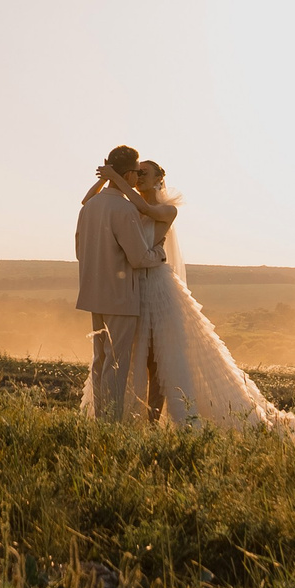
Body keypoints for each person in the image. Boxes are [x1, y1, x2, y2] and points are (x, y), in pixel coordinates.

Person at [84, 151, 295, 444]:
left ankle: (153, 422)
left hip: (160, 291)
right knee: (141, 357)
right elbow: (97, 202)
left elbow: (147, 209)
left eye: (143, 173)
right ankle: (137, 420)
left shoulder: (165, 209)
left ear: (157, 179)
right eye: (135, 173)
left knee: (161, 361)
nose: (137, 177)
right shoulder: (130, 206)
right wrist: (105, 178)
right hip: (138, 289)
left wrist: (115, 176)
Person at [74, 145, 164, 423]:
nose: (138, 177)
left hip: (93, 295)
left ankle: (102, 418)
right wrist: (158, 254)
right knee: (116, 364)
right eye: (136, 172)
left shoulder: (90, 207)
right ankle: (110, 424)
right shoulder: (124, 209)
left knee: (100, 363)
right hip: (121, 298)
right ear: (128, 174)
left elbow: (80, 251)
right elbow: (138, 258)